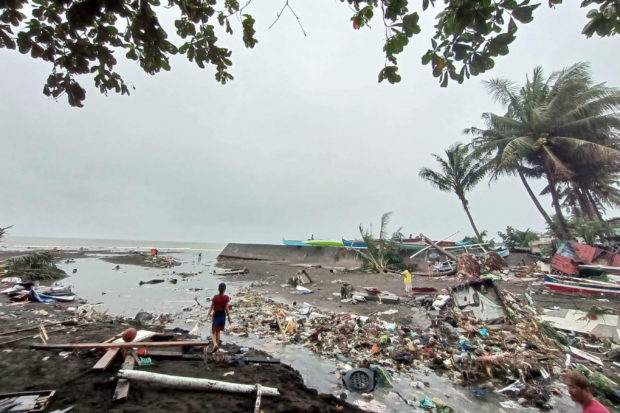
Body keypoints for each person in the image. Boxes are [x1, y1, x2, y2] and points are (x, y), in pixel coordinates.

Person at [207, 282, 232, 353]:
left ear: (218, 289)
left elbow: (211, 307)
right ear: (224, 289)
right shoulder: (226, 298)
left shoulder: (215, 297)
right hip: (223, 316)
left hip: (217, 315)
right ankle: (217, 350)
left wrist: (208, 315)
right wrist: (229, 317)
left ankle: (215, 344)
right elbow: (226, 308)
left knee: (212, 332)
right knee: (218, 332)